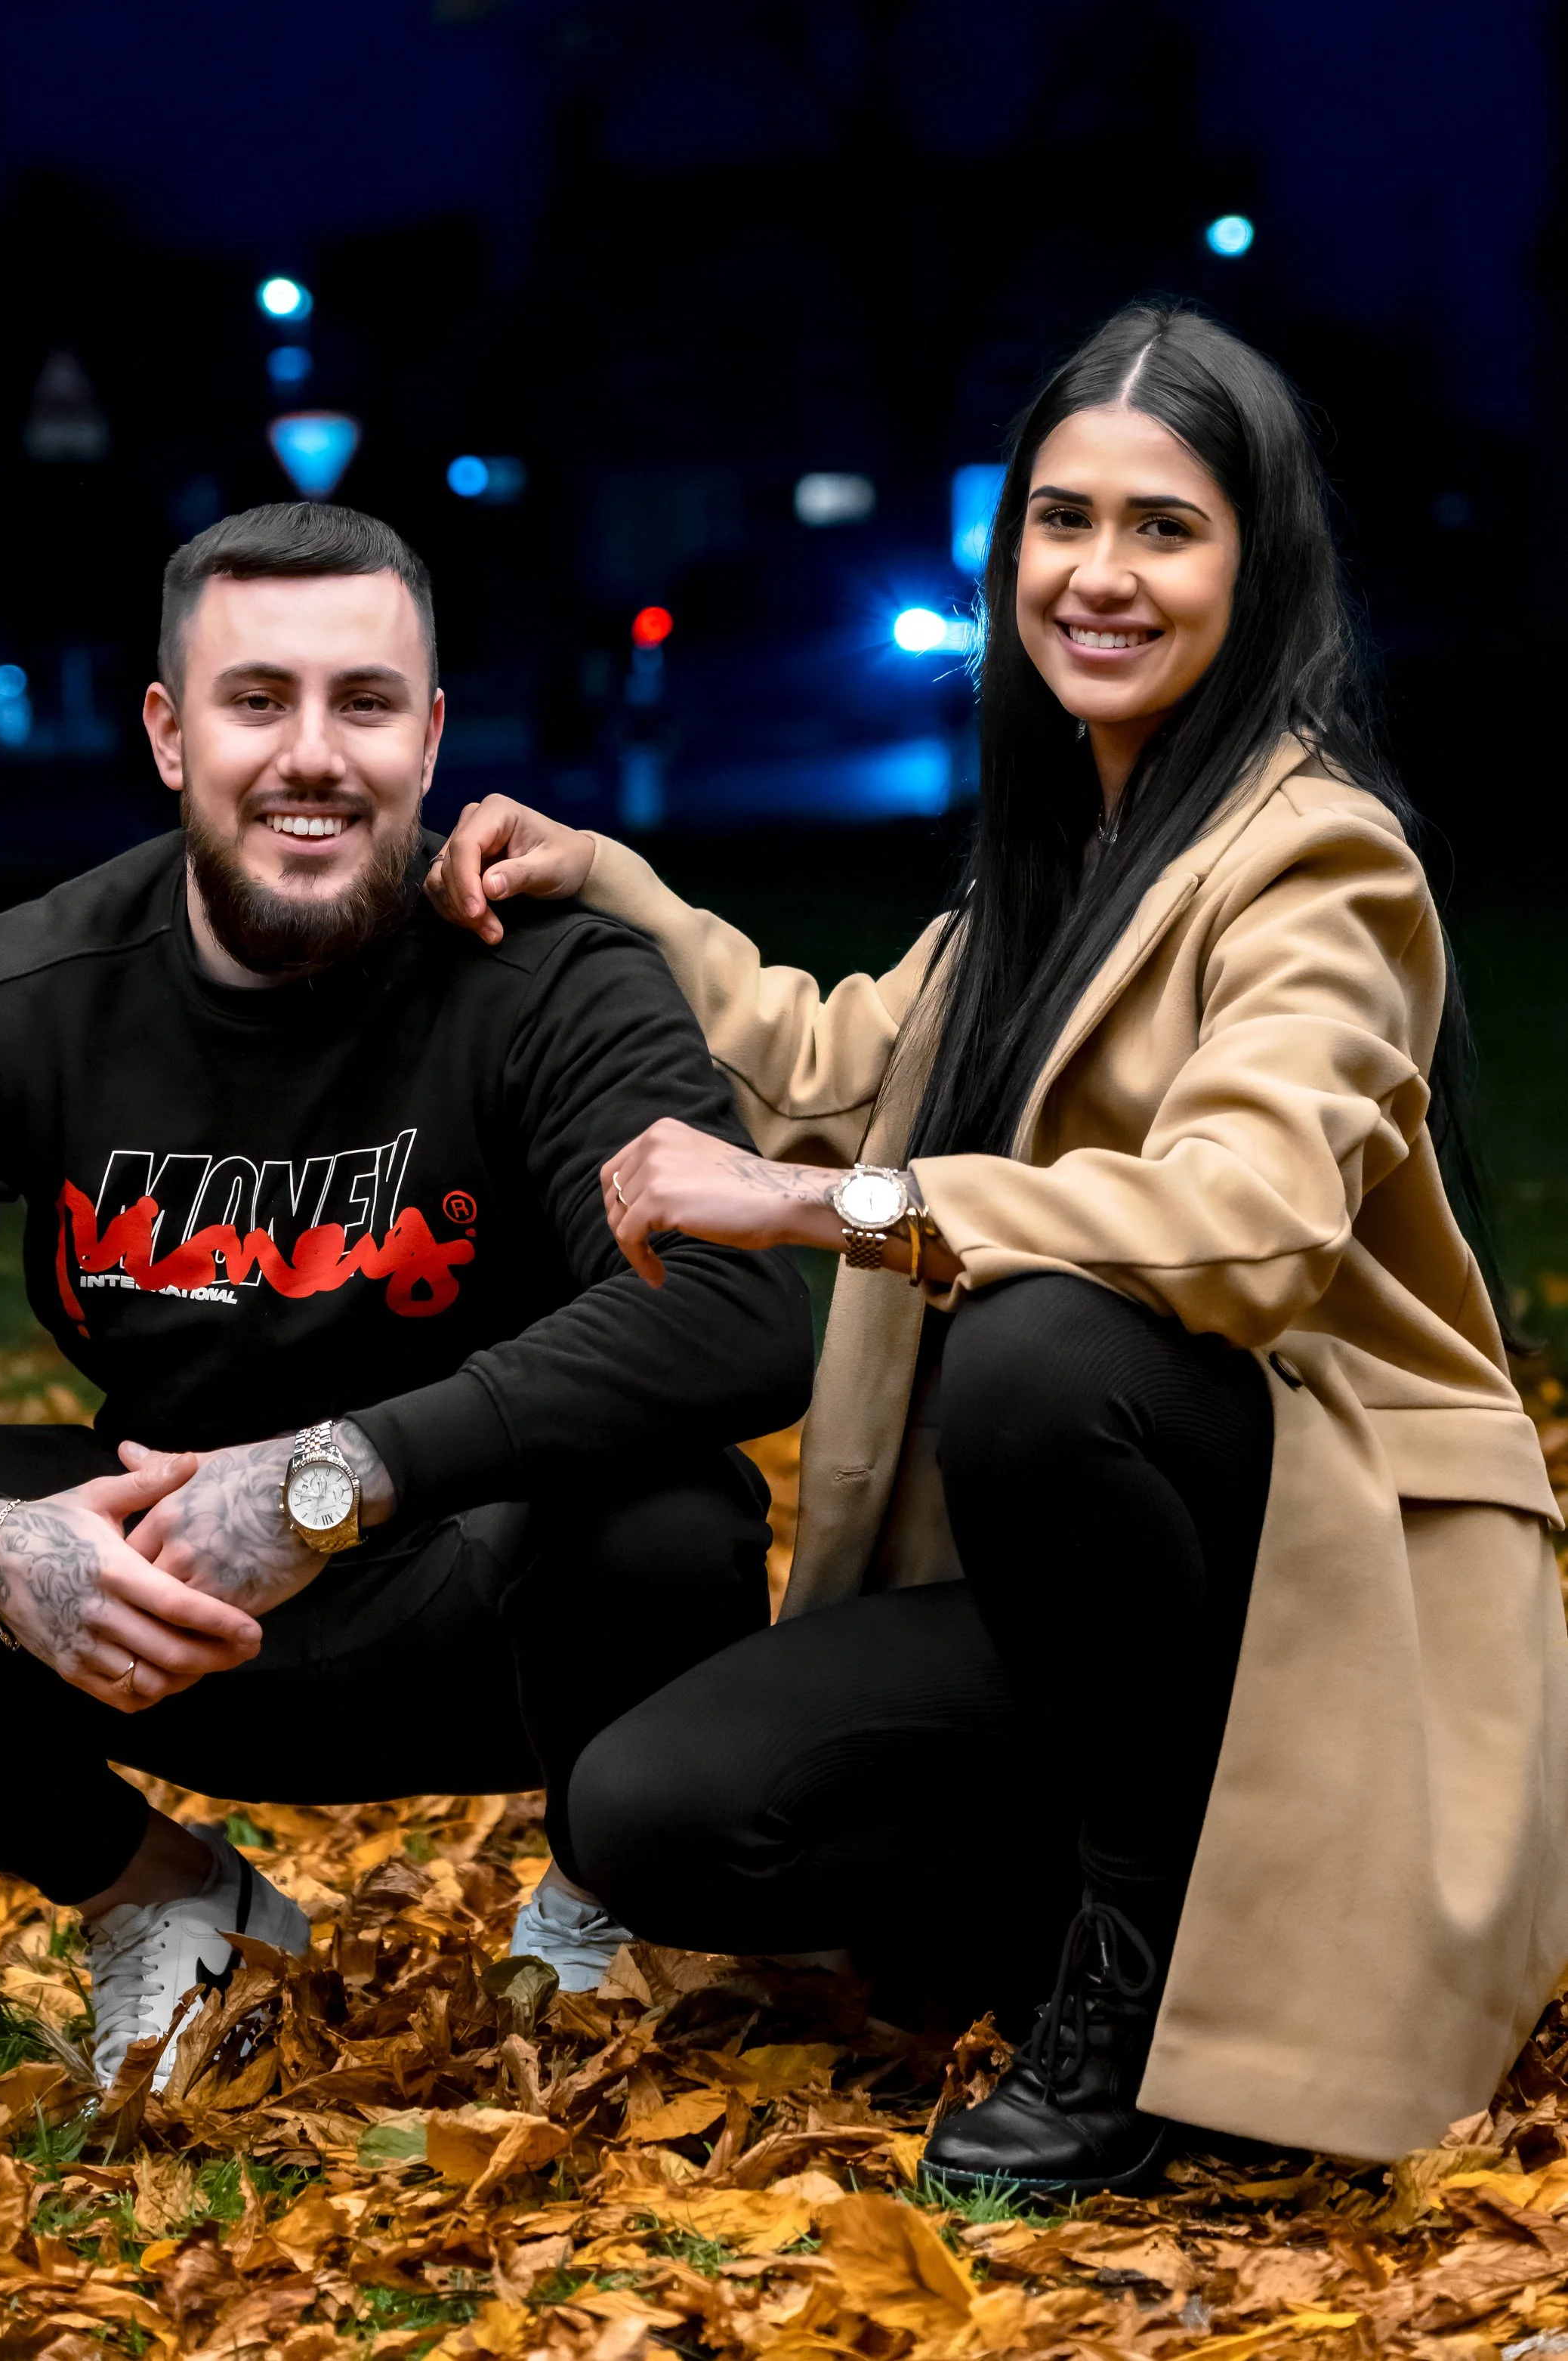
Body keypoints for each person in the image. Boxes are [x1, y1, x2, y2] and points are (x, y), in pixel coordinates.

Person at [426, 301, 1568, 2193]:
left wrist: (824, 1213)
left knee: (1047, 1347)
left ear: (1253, 566)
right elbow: (824, 1063)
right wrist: (608, 883)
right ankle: (1072, 1907)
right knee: (652, 1812)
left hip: (1302, 1561)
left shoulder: (1312, 860)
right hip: (1107, 1584)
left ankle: (1121, 1987)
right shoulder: (1062, 859)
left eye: (1160, 527)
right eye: (1058, 519)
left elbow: (1247, 1218)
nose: (1094, 575)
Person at [0, 501, 813, 2085]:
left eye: (360, 703)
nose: (309, 754)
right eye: (254, 698)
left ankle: (605, 1894)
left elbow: (742, 1309)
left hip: (483, 1603)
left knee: (668, 1516)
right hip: (160, 1615)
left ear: (427, 740)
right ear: (167, 732)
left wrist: (332, 1474)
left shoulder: (549, 973)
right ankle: (169, 1897)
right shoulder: (16, 990)